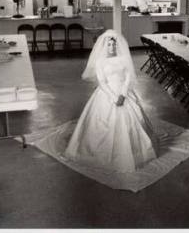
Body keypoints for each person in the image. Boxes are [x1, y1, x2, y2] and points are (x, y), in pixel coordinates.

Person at [64, 30, 157, 172]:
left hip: (123, 92)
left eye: (113, 45)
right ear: (104, 46)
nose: (112, 48)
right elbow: (102, 82)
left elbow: (127, 77)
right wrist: (114, 98)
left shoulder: (123, 59)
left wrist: (123, 95)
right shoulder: (100, 61)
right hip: (107, 93)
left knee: (133, 119)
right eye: (109, 45)